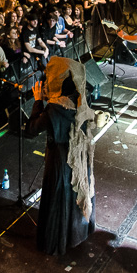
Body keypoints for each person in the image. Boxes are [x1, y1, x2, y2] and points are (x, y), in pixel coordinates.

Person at [26, 57, 96, 256]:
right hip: (79, 158)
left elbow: (31, 129)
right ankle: (79, 232)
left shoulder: (54, 110)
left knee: (61, 196)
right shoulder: (83, 97)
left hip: (60, 162)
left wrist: (38, 101)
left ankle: (57, 239)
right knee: (78, 191)